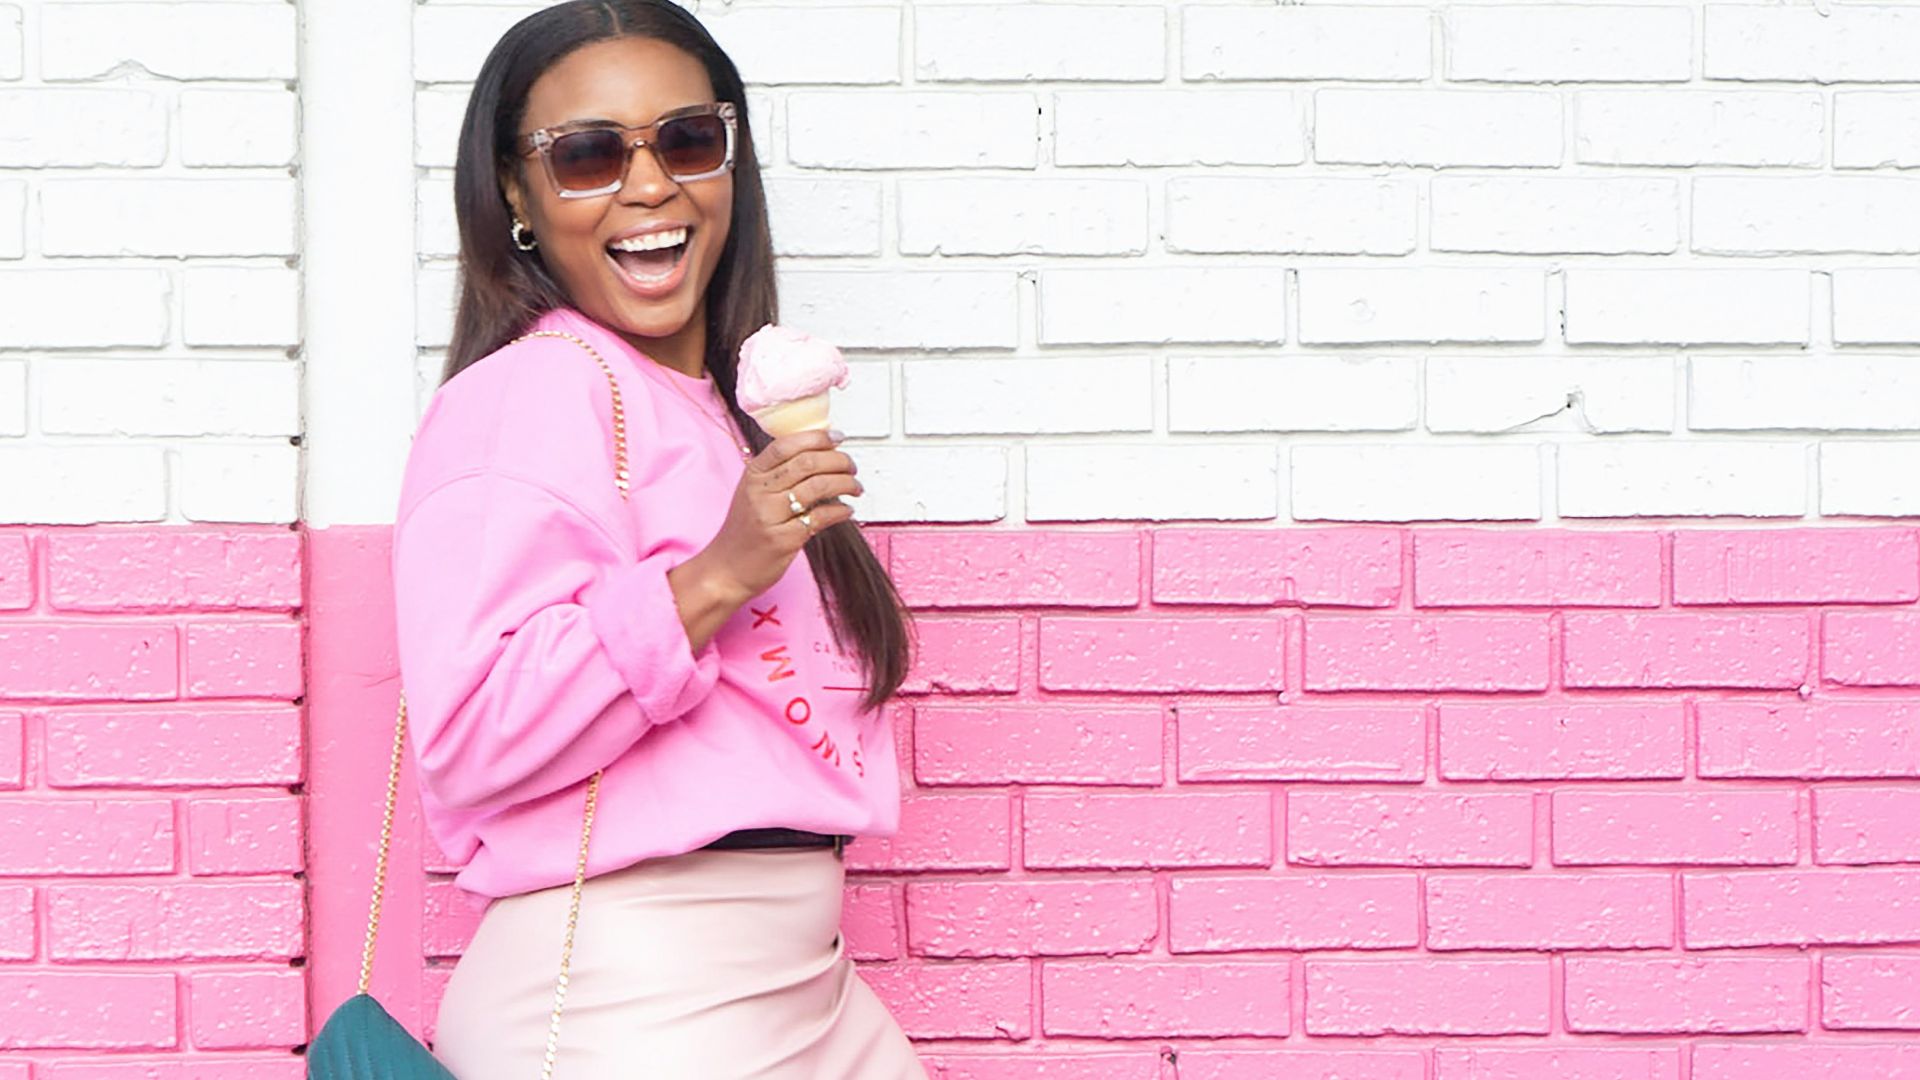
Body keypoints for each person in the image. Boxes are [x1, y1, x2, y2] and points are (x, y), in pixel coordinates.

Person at [389, 2, 923, 1076]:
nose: (648, 185)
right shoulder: (535, 391)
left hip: (802, 981)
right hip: (634, 986)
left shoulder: (722, 408)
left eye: (685, 139)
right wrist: (717, 575)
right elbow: (472, 734)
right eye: (587, 154)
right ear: (516, 193)